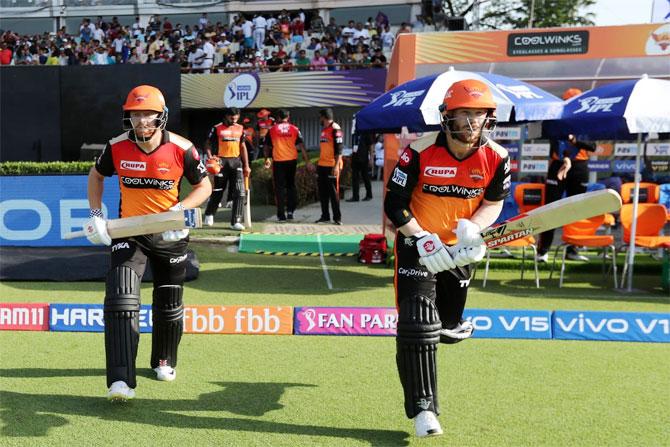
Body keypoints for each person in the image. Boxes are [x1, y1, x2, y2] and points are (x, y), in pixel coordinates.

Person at [383, 79, 510, 437]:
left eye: (479, 116)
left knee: (446, 325)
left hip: (460, 249)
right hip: (418, 245)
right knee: (417, 325)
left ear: (490, 120)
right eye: (464, 115)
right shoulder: (419, 151)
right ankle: (424, 410)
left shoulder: (497, 157)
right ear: (446, 117)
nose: (471, 124)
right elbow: (395, 203)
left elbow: (494, 202)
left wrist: (475, 226)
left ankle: (451, 325)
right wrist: (421, 237)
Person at [84, 85, 212, 402]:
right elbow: (96, 176)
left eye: (148, 115)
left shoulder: (182, 148)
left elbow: (204, 186)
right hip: (128, 232)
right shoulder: (116, 147)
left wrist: (179, 210)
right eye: (136, 115)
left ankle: (163, 361)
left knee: (168, 304)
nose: (141, 121)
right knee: (120, 301)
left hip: (170, 233)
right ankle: (120, 381)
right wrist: (96, 215)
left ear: (161, 116)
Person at [536, 88, 596, 263]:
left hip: (580, 168)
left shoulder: (588, 120)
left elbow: (592, 146)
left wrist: (574, 141)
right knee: (551, 208)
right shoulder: (555, 118)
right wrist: (566, 157)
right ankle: (542, 251)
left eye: (575, 101)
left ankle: (573, 248)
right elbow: (554, 143)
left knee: (576, 209)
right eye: (568, 100)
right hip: (558, 165)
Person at [203, 107, 251, 230]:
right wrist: (210, 157)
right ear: (226, 116)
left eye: (236, 118)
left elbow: (243, 146)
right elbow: (207, 143)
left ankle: (236, 221)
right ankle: (209, 213)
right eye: (231, 118)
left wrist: (246, 165)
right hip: (221, 162)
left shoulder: (240, 128)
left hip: (236, 162)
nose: (234, 120)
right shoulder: (217, 128)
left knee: (239, 192)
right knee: (218, 191)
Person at [263, 109, 311, 221]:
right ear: (288, 117)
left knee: (279, 188)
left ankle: (281, 215)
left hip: (279, 161)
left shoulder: (272, 130)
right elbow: (302, 146)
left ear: (278, 118)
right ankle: (290, 212)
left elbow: (266, 147)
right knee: (291, 186)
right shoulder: (295, 129)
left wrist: (267, 159)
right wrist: (307, 161)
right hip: (291, 161)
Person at [315, 108, 344, 225]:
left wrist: (336, 166)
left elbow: (339, 150)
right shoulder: (324, 129)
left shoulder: (335, 128)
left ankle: (337, 218)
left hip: (332, 166)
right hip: (322, 165)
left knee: (333, 193)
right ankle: (325, 216)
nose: (319, 119)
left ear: (324, 117)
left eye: (320, 117)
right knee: (323, 193)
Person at [347, 129, 374, 202]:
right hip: (355, 157)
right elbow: (354, 145)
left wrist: (371, 158)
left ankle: (369, 194)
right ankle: (355, 196)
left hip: (363, 158)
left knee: (365, 177)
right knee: (355, 178)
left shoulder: (366, 131)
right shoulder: (354, 133)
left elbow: (371, 145)